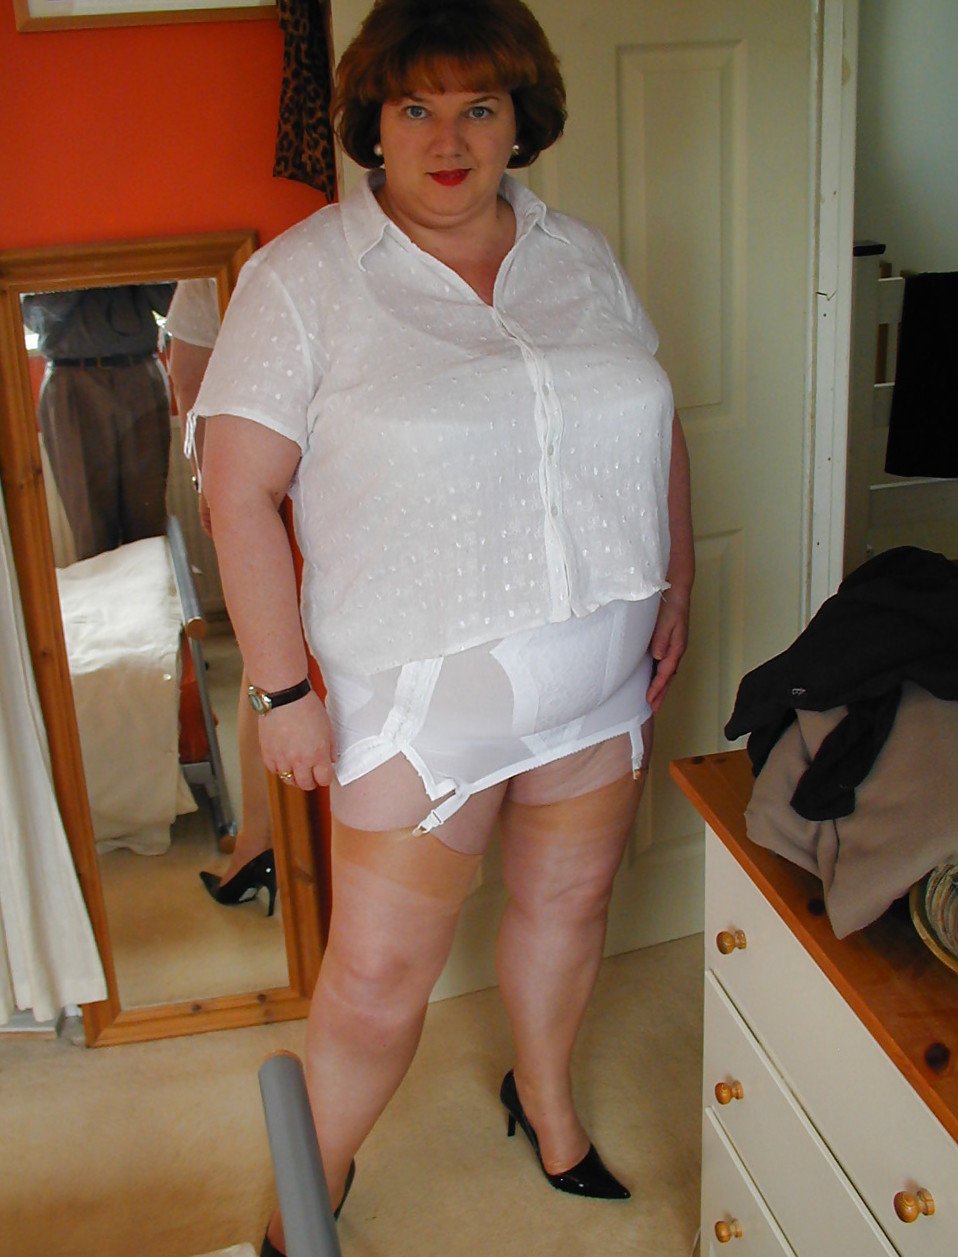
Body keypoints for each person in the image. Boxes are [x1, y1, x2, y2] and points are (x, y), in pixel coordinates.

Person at [196, 1, 693, 1250]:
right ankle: (307, 1192)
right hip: (424, 706)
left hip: (600, 679)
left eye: (479, 105)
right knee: (375, 981)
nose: (449, 138)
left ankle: (547, 1104)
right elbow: (237, 491)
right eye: (415, 107)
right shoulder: (304, 279)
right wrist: (280, 693)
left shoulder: (579, 255)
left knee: (569, 910)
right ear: (373, 121)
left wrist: (676, 581)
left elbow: (653, 418)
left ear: (522, 116)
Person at [165, 279, 276, 902]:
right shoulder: (221, 279)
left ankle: (260, 845)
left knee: (267, 658)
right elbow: (188, 382)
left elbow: (187, 384)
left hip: (268, 481)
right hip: (270, 484)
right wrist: (215, 486)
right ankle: (261, 841)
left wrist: (212, 480)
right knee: (268, 660)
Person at [21, 284, 174, 561]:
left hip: (139, 374)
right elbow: (34, 318)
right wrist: (82, 274)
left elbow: (174, 305)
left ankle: (153, 588)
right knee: (90, 525)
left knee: (148, 517)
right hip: (72, 381)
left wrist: (132, 268)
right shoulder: (40, 260)